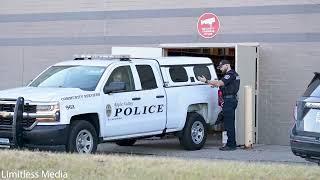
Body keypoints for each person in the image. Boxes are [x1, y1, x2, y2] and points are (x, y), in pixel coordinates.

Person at [198, 60, 240, 151]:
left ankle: (231, 145)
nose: (220, 69)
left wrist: (206, 81)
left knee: (229, 124)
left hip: (229, 100)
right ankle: (232, 143)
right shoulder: (233, 75)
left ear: (227, 65)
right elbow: (224, 85)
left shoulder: (230, 74)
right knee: (229, 123)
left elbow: (220, 83)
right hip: (230, 100)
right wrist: (215, 85)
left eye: (221, 67)